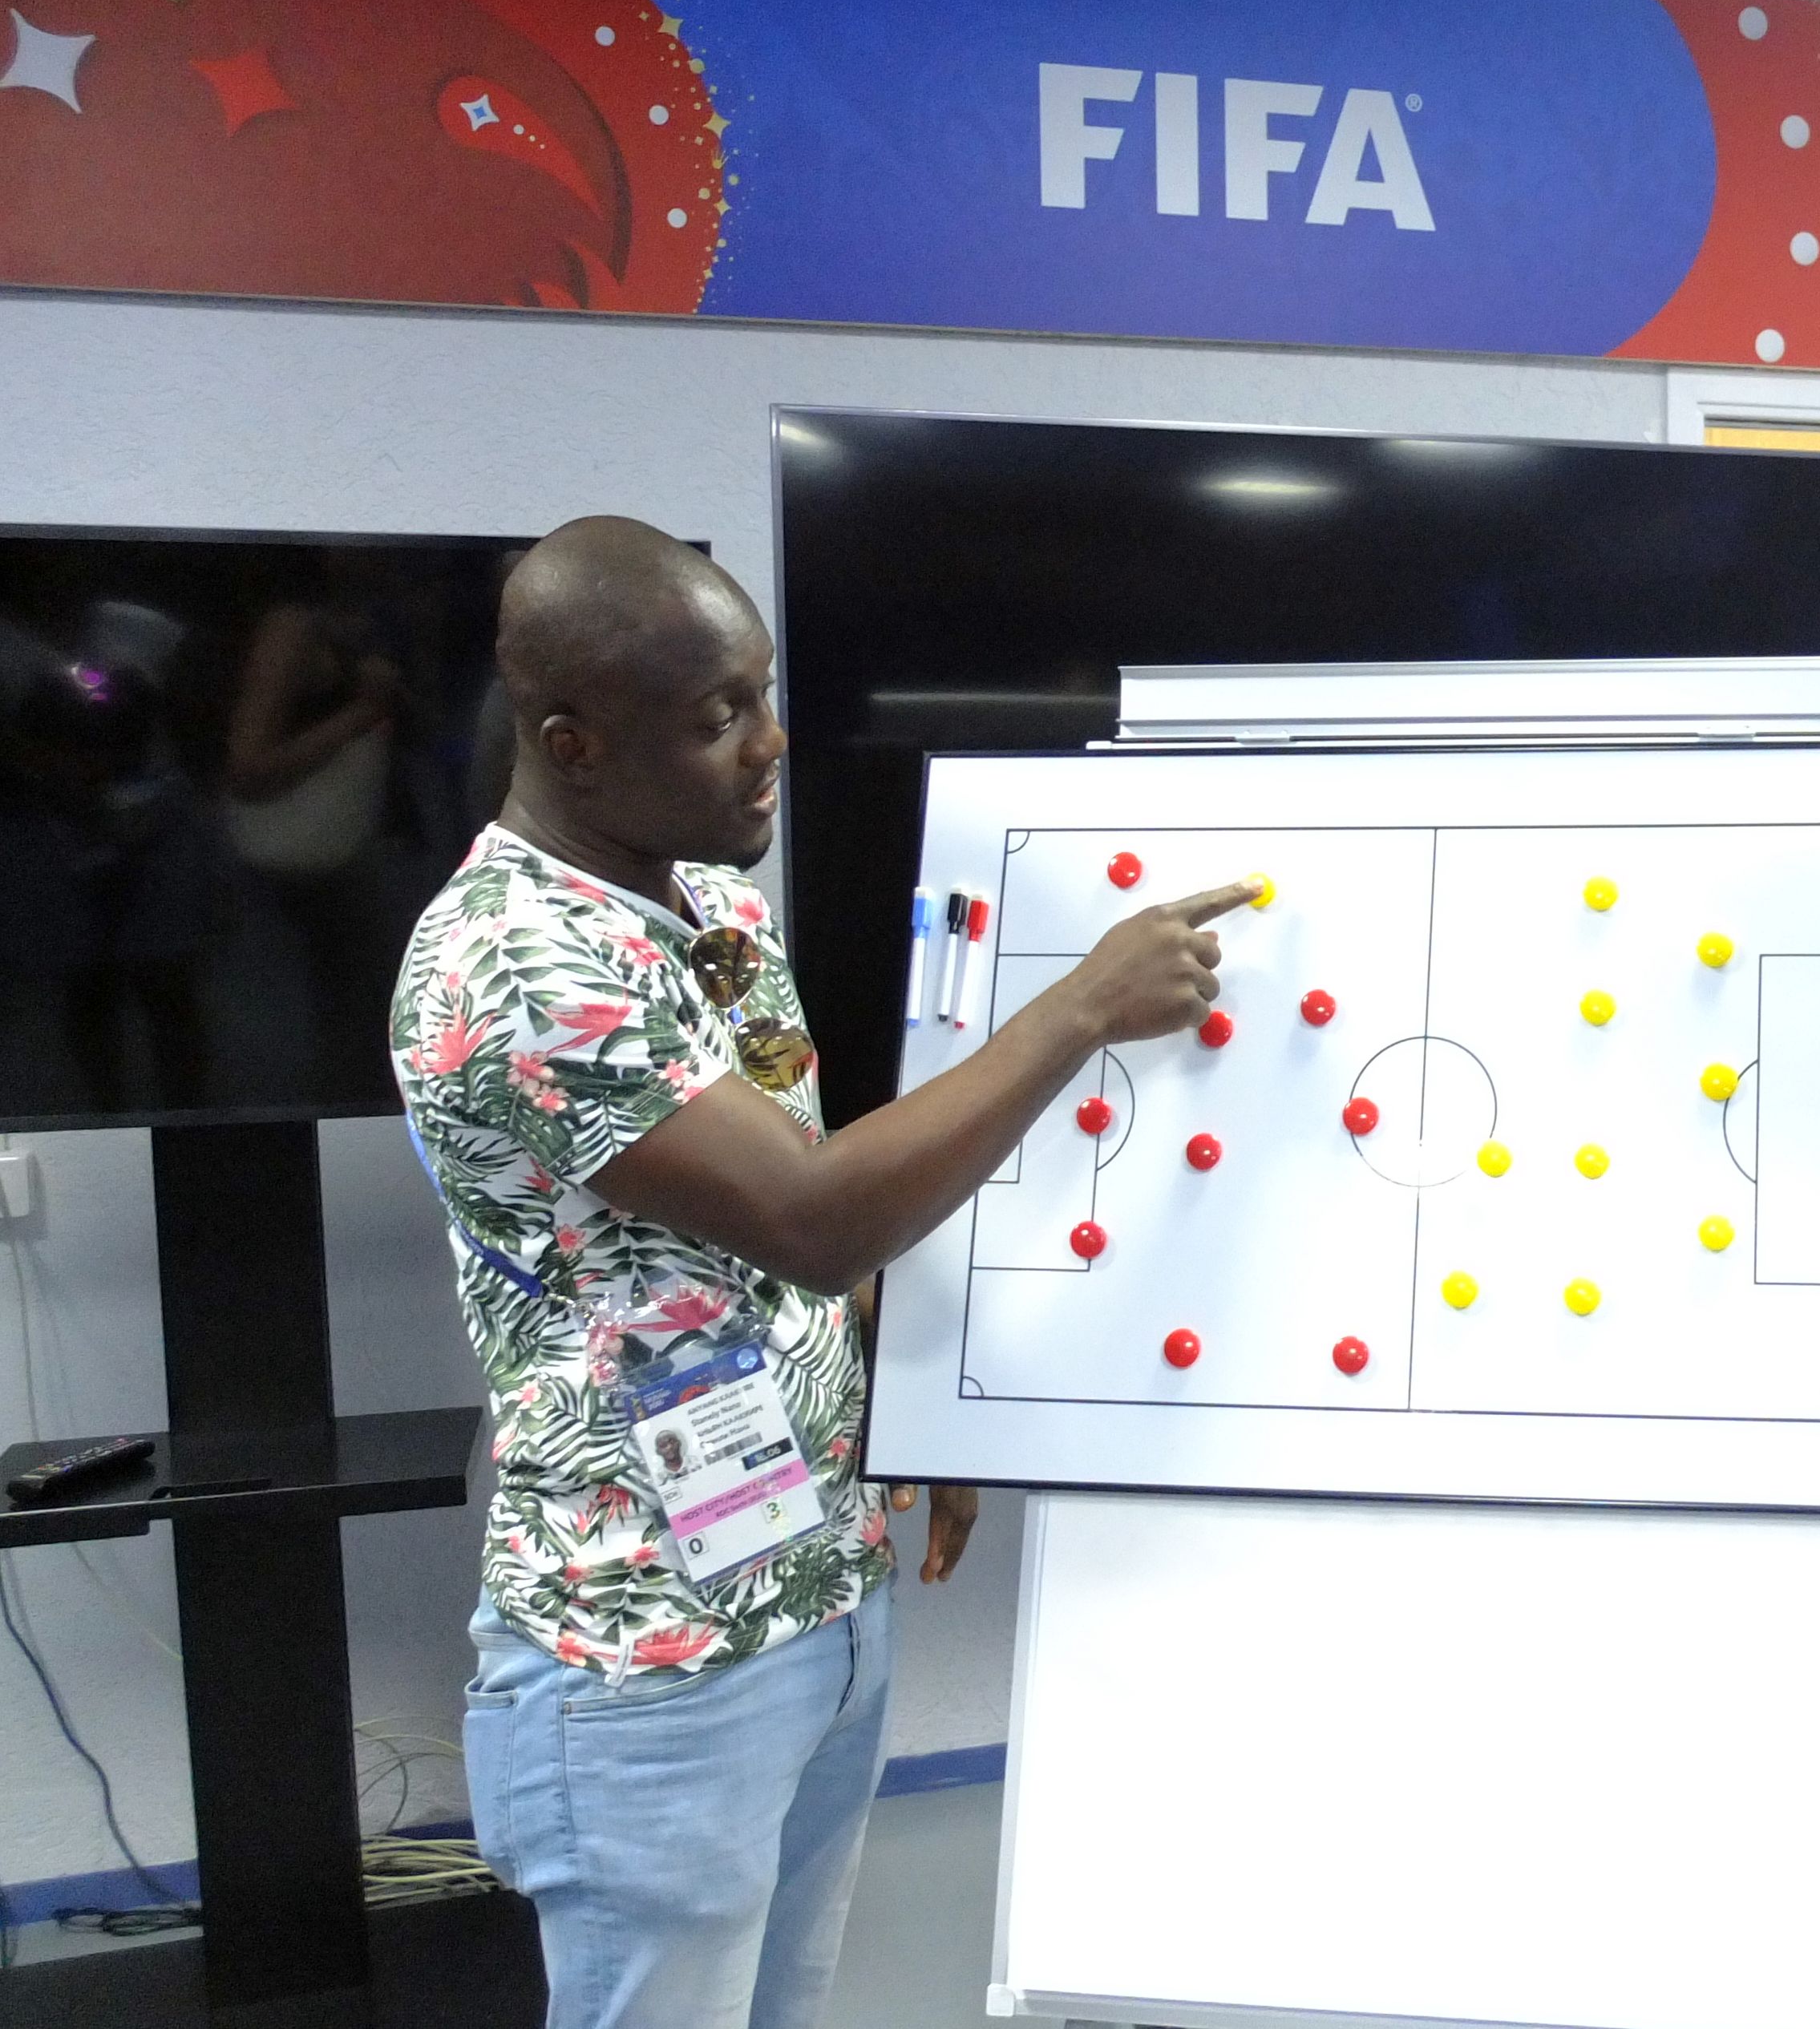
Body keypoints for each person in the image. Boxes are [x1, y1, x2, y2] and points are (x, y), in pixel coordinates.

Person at [391, 515, 1253, 2029]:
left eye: (765, 693)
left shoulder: (708, 900)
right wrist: (1075, 1012)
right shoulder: (513, 963)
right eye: (717, 716)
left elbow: (797, 1200)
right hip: (653, 1653)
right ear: (573, 745)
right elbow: (808, 1217)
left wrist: (914, 1398)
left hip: (815, 1588)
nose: (771, 742)